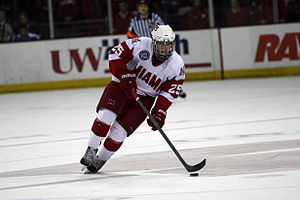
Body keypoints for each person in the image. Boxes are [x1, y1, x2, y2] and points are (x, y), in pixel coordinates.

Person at [80, 25, 185, 173]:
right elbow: (115, 54)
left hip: (145, 99)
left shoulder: (177, 64)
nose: (165, 48)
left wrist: (160, 111)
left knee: (119, 132)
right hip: (121, 86)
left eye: (168, 44)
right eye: (161, 44)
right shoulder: (141, 44)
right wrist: (123, 73)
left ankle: (100, 159)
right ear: (154, 42)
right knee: (106, 115)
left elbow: (170, 92)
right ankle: (91, 149)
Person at [127, 0, 187, 98]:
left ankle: (174, 88)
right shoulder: (134, 21)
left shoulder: (155, 18)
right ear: (138, 8)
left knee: (164, 69)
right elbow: (130, 35)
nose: (143, 8)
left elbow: (164, 30)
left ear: (148, 7)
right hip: (143, 50)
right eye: (141, 6)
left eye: (145, 6)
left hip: (157, 48)